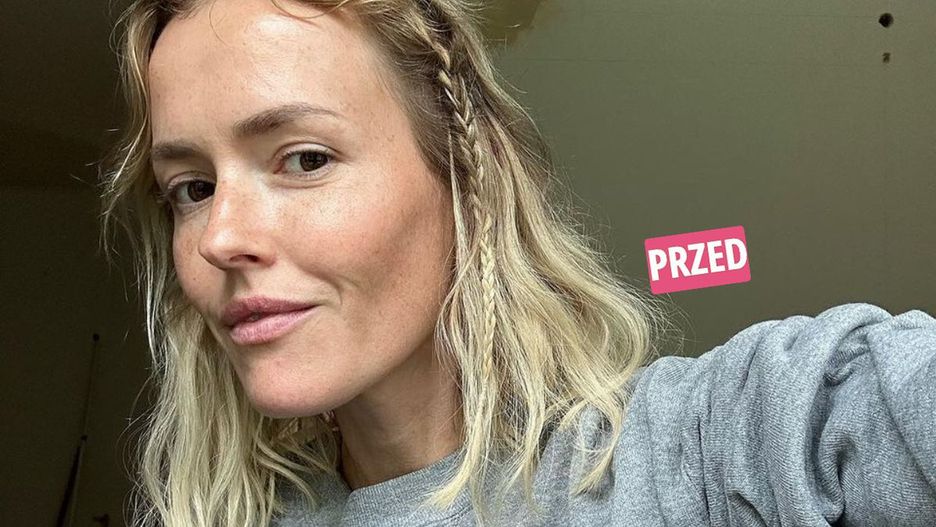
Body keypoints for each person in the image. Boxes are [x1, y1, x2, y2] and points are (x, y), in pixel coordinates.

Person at [99, 0, 936, 525]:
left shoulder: (703, 453)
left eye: (305, 158)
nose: (218, 237)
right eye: (192, 187)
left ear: (464, 180)